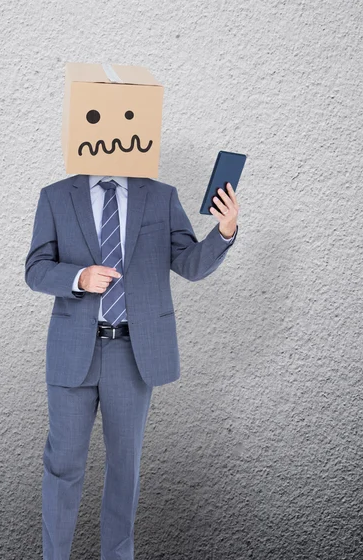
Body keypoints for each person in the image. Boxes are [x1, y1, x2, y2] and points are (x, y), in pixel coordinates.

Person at [25, 173, 239, 560]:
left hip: (132, 352)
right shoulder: (56, 196)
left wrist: (224, 231)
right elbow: (36, 269)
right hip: (73, 351)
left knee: (125, 471)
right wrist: (78, 277)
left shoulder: (160, 196)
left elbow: (189, 265)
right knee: (63, 467)